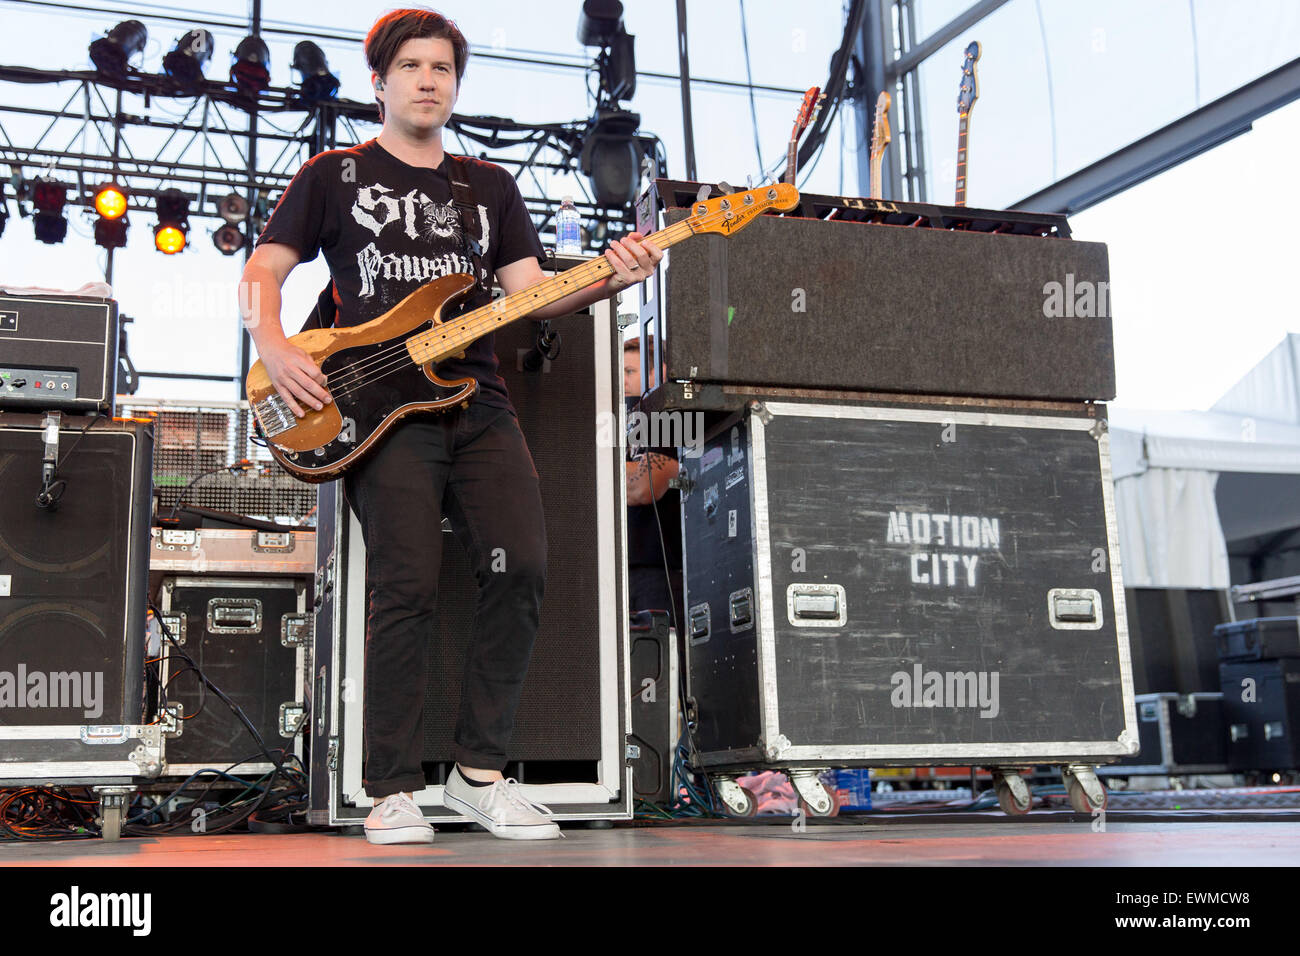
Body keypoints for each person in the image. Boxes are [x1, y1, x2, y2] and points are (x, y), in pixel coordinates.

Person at [238, 8, 661, 843]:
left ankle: (479, 774)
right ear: (381, 81)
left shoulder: (487, 188)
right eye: (413, 67)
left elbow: (534, 290)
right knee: (407, 586)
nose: (429, 80)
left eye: (443, 69)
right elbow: (262, 270)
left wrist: (611, 278)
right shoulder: (334, 176)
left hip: (477, 400)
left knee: (525, 568)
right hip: (375, 406)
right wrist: (275, 344)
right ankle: (390, 788)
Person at [623, 335, 683, 629]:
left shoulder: (669, 417)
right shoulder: (622, 421)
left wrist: (598, 468)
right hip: (622, 567)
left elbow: (644, 486)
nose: (620, 379)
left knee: (660, 661)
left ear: (657, 371)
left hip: (659, 568)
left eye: (629, 371)